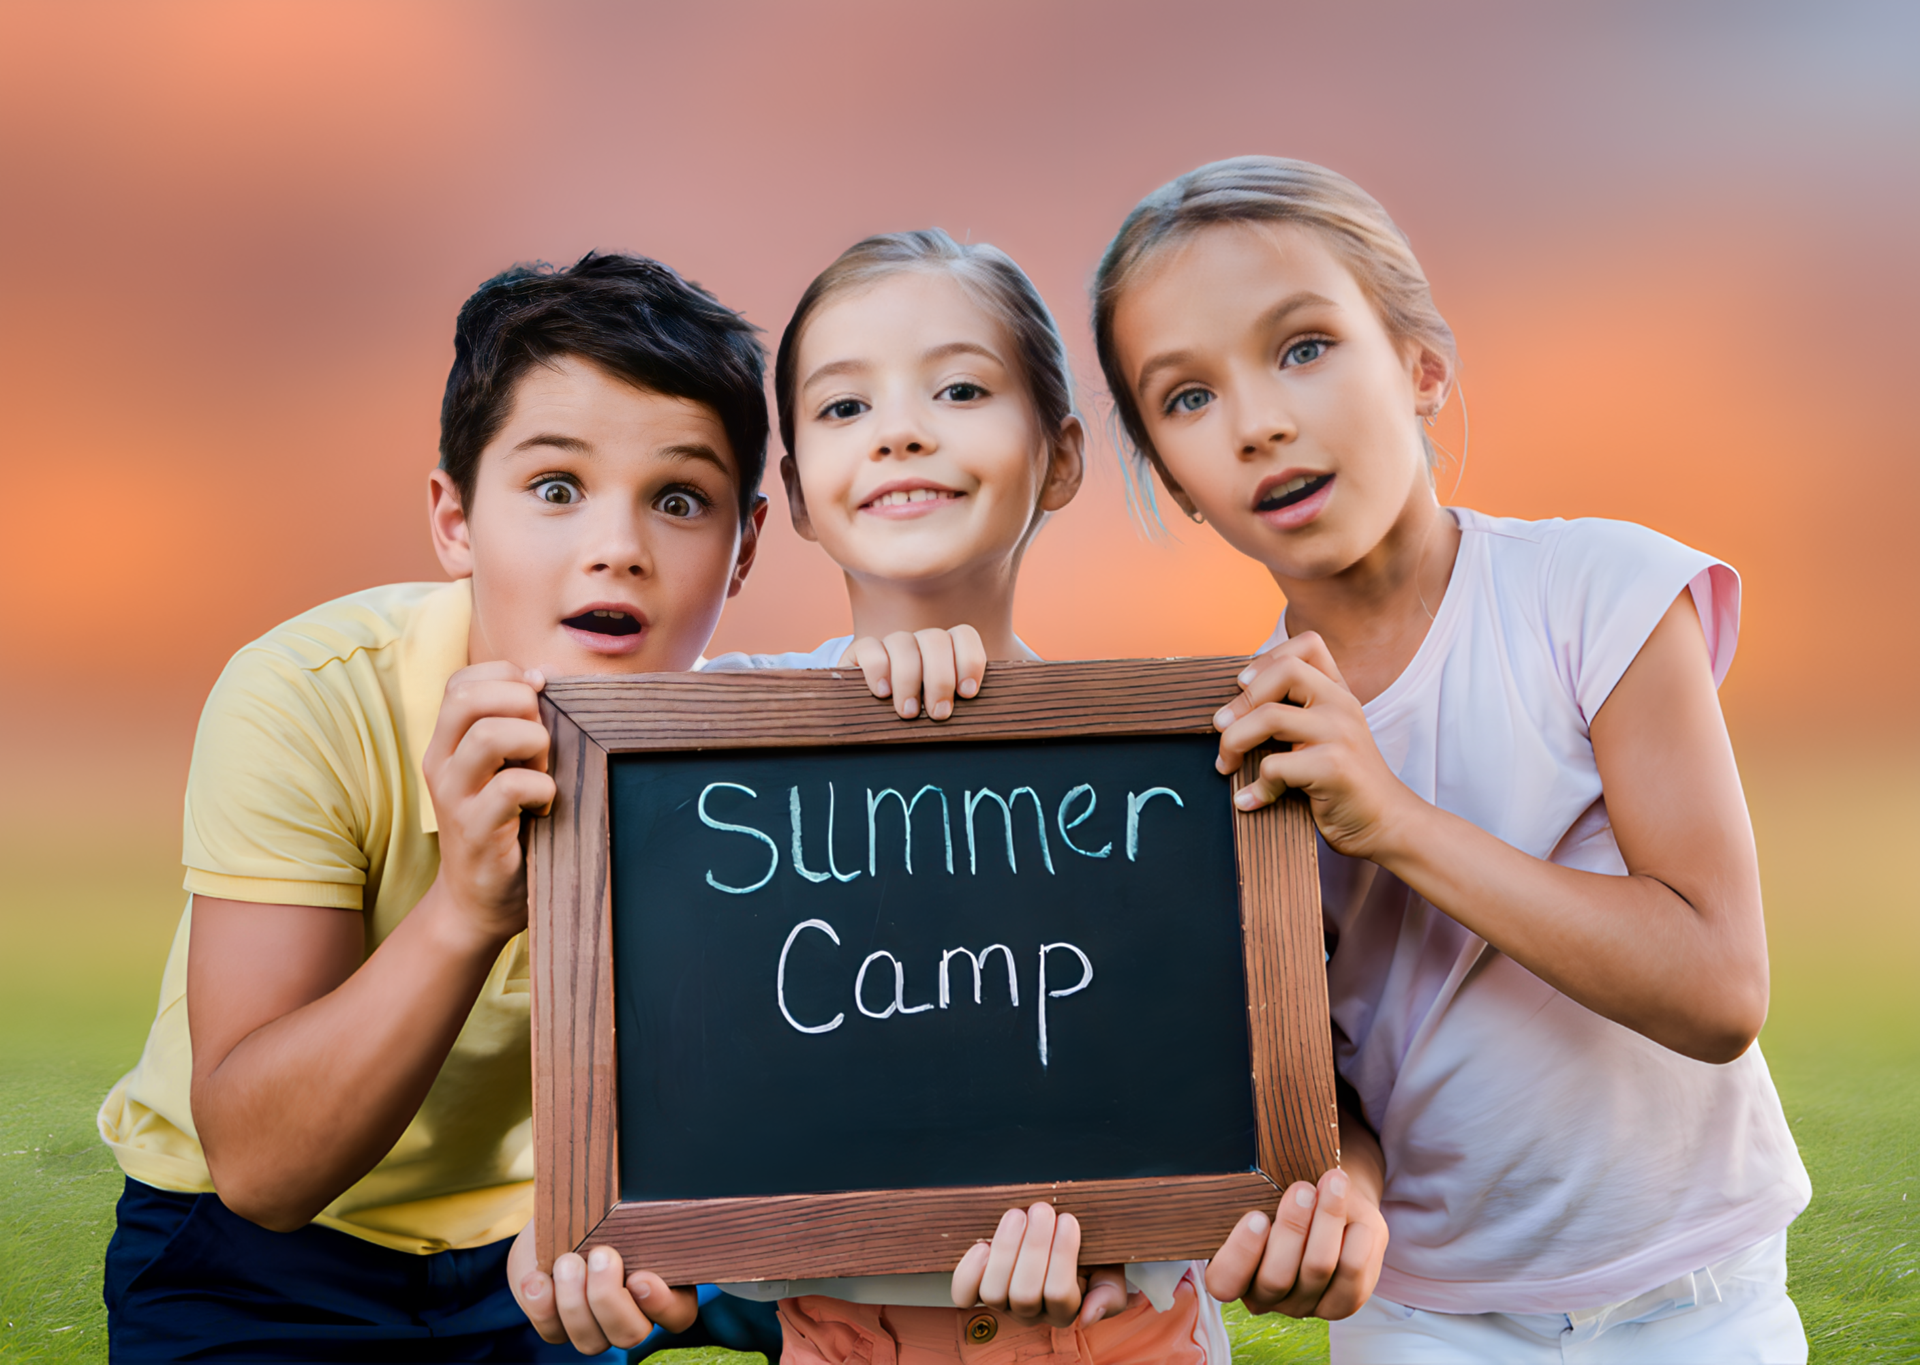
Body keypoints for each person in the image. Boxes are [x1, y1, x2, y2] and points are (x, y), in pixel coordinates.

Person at [1091, 156, 1812, 1362]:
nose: (1260, 420)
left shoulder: (1599, 594)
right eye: (1188, 398)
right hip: (1424, 1319)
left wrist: (1391, 819)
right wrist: (1345, 1193)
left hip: (1698, 1302)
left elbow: (1718, 991)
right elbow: (1330, 1073)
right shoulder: (1231, 744)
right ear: (1178, 484)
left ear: (1422, 367)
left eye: (1304, 346)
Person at [509, 229, 1233, 1363]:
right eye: (845, 408)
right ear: (794, 494)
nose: (901, 429)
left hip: (1124, 1333)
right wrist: (574, 1223)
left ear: (1060, 456)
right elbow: (651, 1055)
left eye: (958, 387)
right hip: (845, 1342)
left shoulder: (1157, 777)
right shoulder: (697, 760)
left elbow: (1200, 1061)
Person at [97, 251, 796, 1361]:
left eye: (678, 498)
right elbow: (263, 1172)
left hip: (552, 1228)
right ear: (456, 520)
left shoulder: (752, 771)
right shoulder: (306, 695)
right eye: (556, 488)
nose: (617, 547)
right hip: (258, 1253)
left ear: (744, 544)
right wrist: (470, 907)